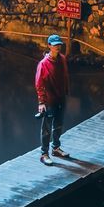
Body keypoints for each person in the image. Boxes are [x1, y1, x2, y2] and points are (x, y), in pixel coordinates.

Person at [36, 34, 70, 165]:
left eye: (59, 44)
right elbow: (39, 84)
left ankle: (56, 148)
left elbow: (65, 76)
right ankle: (44, 154)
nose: (57, 47)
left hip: (61, 98)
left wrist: (66, 91)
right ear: (49, 46)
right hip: (50, 100)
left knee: (59, 125)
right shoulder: (43, 64)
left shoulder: (62, 59)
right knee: (46, 128)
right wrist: (41, 102)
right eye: (55, 45)